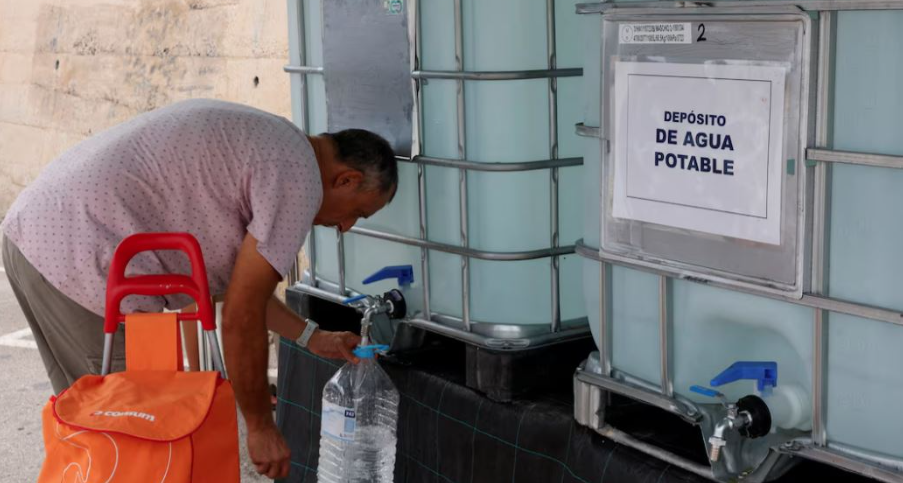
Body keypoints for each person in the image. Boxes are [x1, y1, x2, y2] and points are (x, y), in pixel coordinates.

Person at [0, 98, 397, 479]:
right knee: (129, 444)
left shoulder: (280, 144)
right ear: (346, 178)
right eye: (358, 212)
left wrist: (312, 337)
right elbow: (240, 315)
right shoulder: (300, 181)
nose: (346, 227)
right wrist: (260, 426)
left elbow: (245, 292)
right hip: (82, 257)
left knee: (93, 440)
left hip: (36, 232)